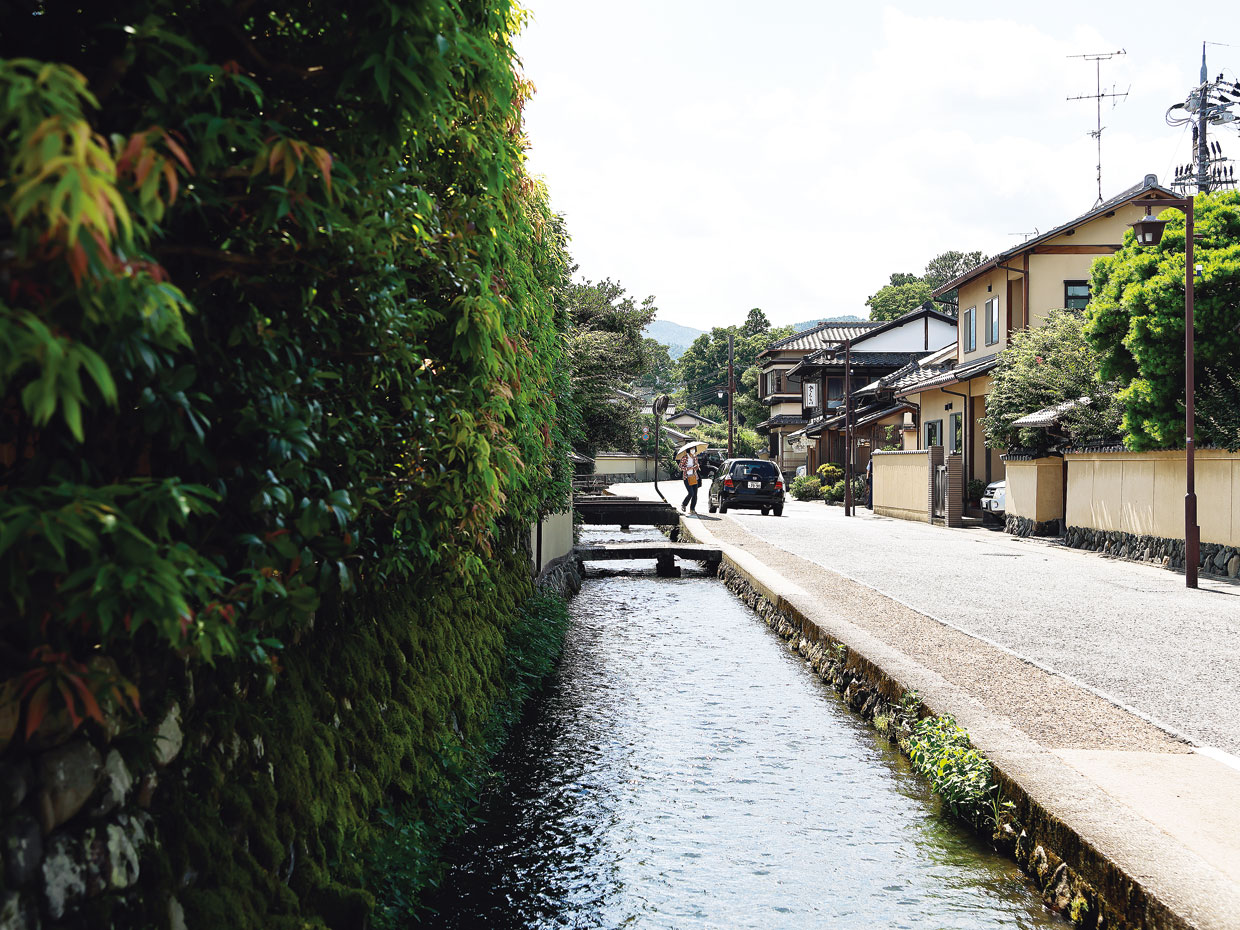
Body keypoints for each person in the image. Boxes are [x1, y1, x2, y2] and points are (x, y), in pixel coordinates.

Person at [679, 449, 701, 513]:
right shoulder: (685, 457)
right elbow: (680, 466)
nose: (693, 450)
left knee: (695, 494)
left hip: (694, 477)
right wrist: (687, 468)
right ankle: (684, 504)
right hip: (687, 477)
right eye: (692, 449)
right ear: (689, 450)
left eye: (694, 449)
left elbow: (696, 467)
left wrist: (697, 466)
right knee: (691, 493)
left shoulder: (695, 457)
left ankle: (692, 509)